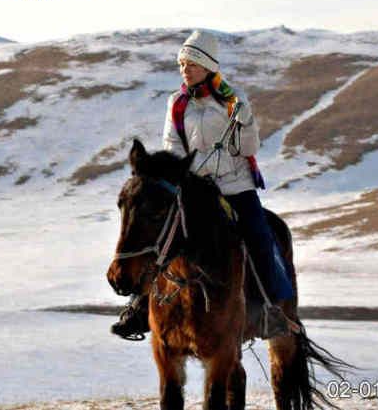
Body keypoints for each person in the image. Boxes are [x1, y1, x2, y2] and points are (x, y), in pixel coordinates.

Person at [111, 30, 293, 340]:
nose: (185, 69)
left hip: (235, 187)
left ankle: (270, 309)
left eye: (191, 63)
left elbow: (249, 147)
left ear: (208, 66)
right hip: (195, 187)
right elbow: (172, 147)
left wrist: (246, 121)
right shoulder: (177, 103)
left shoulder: (235, 101)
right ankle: (139, 304)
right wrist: (194, 170)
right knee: (160, 235)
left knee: (260, 236)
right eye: (182, 64)